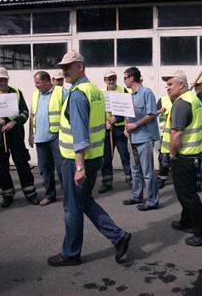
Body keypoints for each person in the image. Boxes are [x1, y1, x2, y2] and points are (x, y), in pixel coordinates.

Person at [48, 51, 131, 267]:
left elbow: (80, 135)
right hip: (94, 157)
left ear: (80, 67)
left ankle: (71, 253)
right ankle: (118, 236)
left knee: (72, 208)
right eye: (63, 66)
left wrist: (78, 166)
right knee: (85, 202)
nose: (64, 70)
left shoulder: (76, 94)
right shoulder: (93, 90)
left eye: (69, 66)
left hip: (77, 160)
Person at [162, 70, 202, 247]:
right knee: (186, 192)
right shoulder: (192, 100)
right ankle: (187, 221)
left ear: (182, 85)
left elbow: (176, 135)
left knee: (187, 195)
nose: (167, 87)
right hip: (194, 155)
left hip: (184, 156)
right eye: (167, 84)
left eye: (170, 84)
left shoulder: (181, 104)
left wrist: (172, 155)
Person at [0, 67, 39, 207]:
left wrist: (14, 122)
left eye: (5, 79)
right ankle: (7, 194)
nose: (2, 82)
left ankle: (30, 193)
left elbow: (24, 112)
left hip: (15, 135)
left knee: (22, 164)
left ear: (8, 79)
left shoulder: (16, 92)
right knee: (2, 168)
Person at [123, 67, 160, 211]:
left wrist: (135, 125)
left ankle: (152, 201)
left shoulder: (146, 93)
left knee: (148, 172)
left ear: (132, 78)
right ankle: (136, 196)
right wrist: (127, 128)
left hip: (144, 138)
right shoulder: (129, 95)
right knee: (135, 170)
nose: (124, 80)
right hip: (132, 137)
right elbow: (128, 116)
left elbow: (151, 114)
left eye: (125, 77)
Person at [29, 71, 66, 206]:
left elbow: (69, 113)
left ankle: (68, 195)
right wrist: (30, 134)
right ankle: (50, 195)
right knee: (45, 170)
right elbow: (32, 115)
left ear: (47, 81)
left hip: (57, 137)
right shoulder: (35, 94)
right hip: (40, 138)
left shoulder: (61, 92)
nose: (36, 85)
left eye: (38, 82)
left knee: (62, 169)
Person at [98, 69, 132, 194]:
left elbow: (128, 108)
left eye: (113, 78)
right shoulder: (100, 93)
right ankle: (107, 182)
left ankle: (130, 180)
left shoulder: (122, 90)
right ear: (105, 80)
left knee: (125, 156)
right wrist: (104, 123)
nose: (111, 81)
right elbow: (97, 111)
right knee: (106, 158)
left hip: (119, 129)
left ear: (116, 78)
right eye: (109, 79)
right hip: (107, 130)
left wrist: (117, 117)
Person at [156, 87, 173, 189]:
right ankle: (162, 177)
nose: (169, 91)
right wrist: (159, 111)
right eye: (167, 89)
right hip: (165, 134)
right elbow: (153, 113)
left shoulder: (181, 100)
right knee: (164, 157)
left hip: (178, 133)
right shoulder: (162, 100)